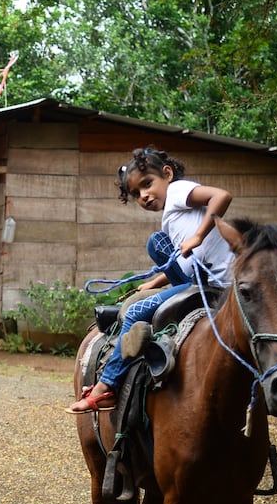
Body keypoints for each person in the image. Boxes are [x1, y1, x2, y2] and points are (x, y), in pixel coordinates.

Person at [67, 146, 234, 414]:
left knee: (134, 312)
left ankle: (106, 387)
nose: (144, 196)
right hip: (198, 277)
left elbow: (222, 196)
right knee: (157, 243)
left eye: (147, 184)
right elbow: (183, 261)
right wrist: (156, 282)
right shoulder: (171, 217)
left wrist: (199, 235)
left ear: (167, 174)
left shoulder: (179, 191)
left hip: (210, 283)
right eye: (136, 194)